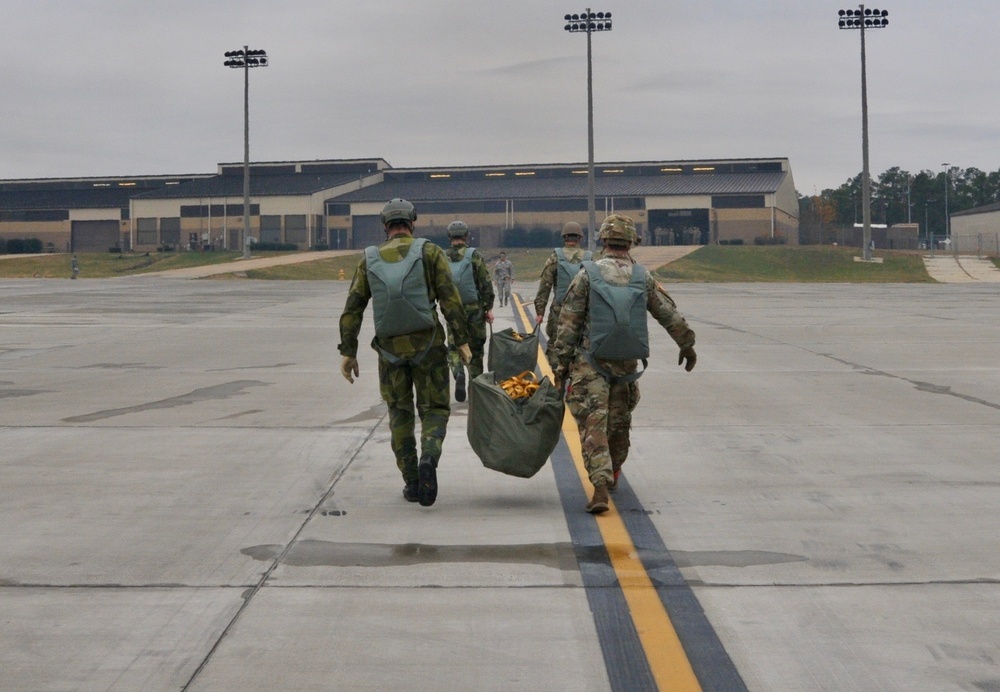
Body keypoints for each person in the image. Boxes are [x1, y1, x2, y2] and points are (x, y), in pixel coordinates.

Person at [550, 214, 697, 514]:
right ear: (631, 242)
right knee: (618, 423)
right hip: (626, 365)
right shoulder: (642, 276)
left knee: (594, 423)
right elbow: (668, 312)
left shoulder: (587, 274)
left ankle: (600, 487)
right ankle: (612, 473)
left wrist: (560, 368)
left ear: (604, 240)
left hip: (590, 364)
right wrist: (687, 344)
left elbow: (568, 324)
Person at [338, 198, 472, 507]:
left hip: (389, 352)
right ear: (412, 223)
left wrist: (349, 351)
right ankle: (428, 456)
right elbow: (450, 299)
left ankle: (412, 482)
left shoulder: (368, 258)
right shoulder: (429, 252)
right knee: (435, 409)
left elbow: (353, 308)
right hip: (429, 347)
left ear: (385, 226)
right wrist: (461, 340)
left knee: (399, 413)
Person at [444, 220, 495, 402]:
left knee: (453, 347)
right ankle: (475, 388)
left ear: (449, 237)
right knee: (476, 349)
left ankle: (458, 371)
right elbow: (485, 284)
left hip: (452, 310)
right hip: (474, 310)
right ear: (466, 236)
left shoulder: (442, 257)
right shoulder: (474, 256)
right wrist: (488, 307)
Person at [533, 222, 592, 365]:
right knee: (582, 344)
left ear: (564, 237)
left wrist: (540, 312)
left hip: (559, 311)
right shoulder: (589, 258)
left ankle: (558, 378)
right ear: (580, 238)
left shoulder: (555, 257)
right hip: (582, 312)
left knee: (555, 344)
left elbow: (545, 286)